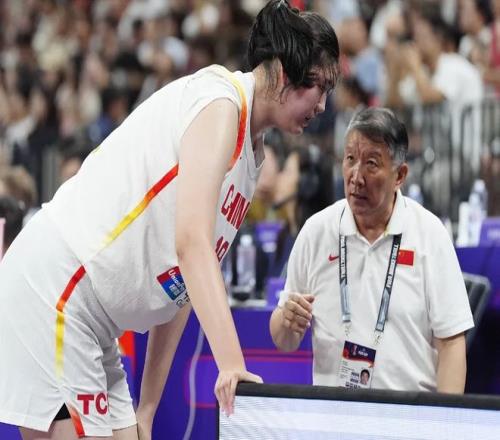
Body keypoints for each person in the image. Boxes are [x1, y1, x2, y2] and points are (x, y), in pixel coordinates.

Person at [0, 1, 340, 439]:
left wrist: (148, 408)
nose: (323, 104)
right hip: (58, 290)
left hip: (97, 322)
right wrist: (232, 363)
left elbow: (183, 283)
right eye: (317, 85)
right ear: (280, 70)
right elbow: (192, 245)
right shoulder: (219, 103)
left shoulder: (250, 156)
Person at [269, 107, 474, 393]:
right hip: (335, 414)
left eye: (371, 164)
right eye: (350, 159)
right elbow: (285, 340)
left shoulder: (429, 235)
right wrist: (286, 322)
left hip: (409, 413)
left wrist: (442, 418)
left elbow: (451, 344)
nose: (356, 176)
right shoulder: (316, 232)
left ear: (400, 175)